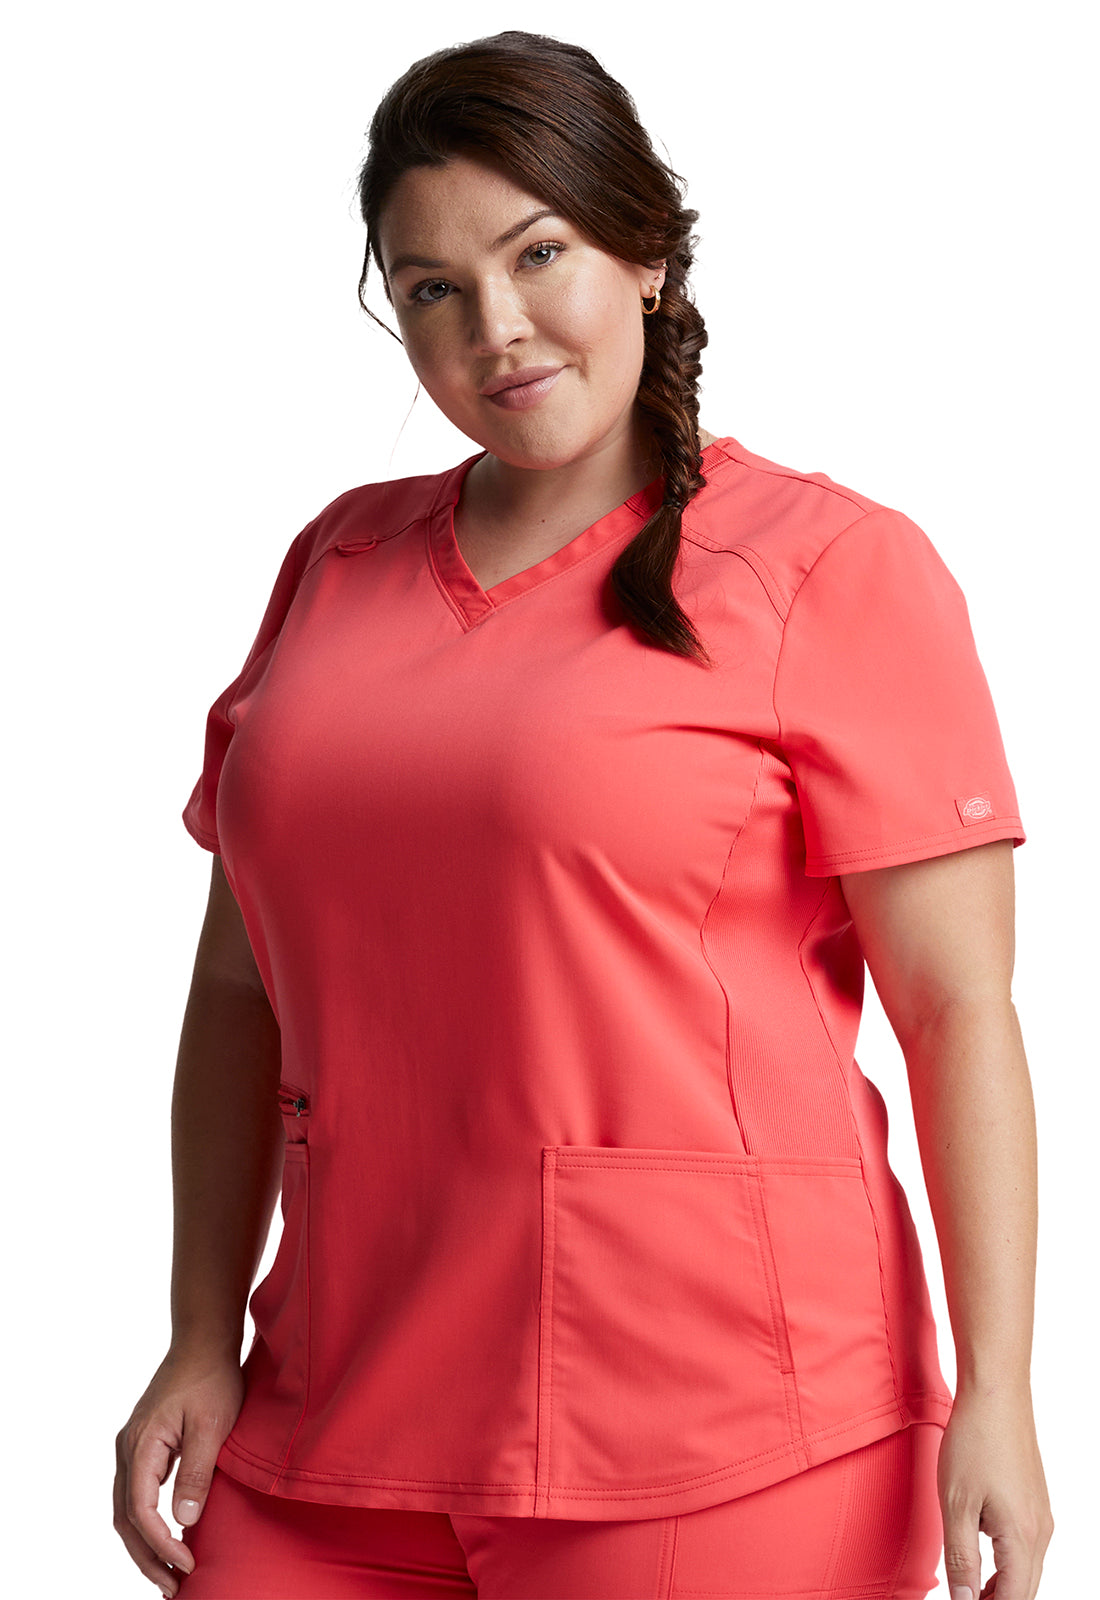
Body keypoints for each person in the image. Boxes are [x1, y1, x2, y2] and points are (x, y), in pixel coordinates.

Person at [113, 28, 1053, 1600]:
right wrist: (200, 1330)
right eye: (431, 289)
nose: (494, 328)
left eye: (538, 253)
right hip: (335, 1401)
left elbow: (958, 1011)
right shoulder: (338, 563)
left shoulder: (828, 566)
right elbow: (237, 987)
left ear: (647, 253)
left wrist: (1002, 1395)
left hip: (720, 1417)